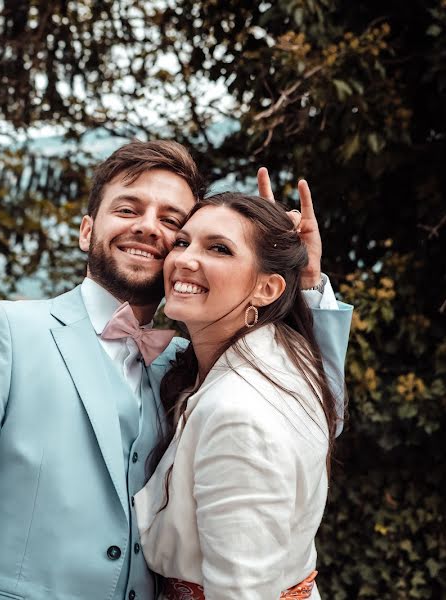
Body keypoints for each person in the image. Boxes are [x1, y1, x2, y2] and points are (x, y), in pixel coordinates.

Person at [0, 141, 352, 600]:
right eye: (128, 210)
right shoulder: (6, 333)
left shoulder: (187, 366)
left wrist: (301, 282)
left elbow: (306, 422)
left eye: (172, 222)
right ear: (87, 231)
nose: (149, 228)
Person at [134, 191, 342, 600]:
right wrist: (298, 273)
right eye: (183, 241)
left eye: (219, 248)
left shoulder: (239, 415)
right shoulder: (289, 357)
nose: (184, 260)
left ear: (267, 289)